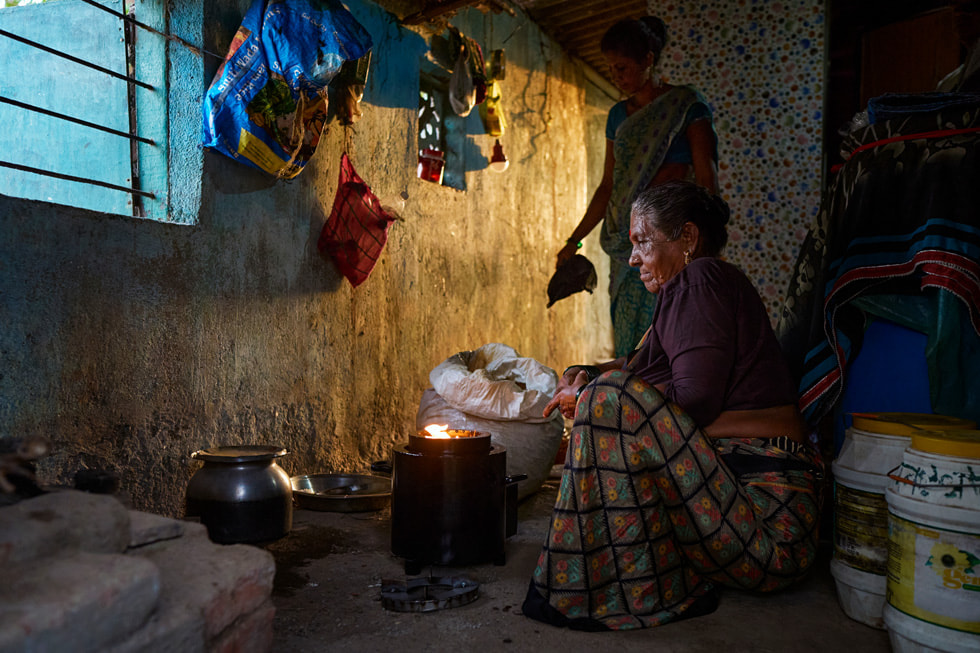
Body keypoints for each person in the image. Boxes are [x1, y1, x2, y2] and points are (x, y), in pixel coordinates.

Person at [524, 180, 823, 631]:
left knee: (609, 400)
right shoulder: (685, 295)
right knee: (608, 390)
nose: (633, 258)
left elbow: (693, 402)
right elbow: (634, 367)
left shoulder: (700, 279)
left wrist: (590, 395)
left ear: (687, 238)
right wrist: (583, 371)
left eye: (643, 241)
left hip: (767, 528)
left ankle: (628, 587)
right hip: (740, 522)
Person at [556, 16, 719, 358]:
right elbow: (608, 187)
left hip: (669, 239)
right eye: (611, 70)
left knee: (670, 334)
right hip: (625, 240)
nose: (617, 78)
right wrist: (574, 239)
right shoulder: (618, 116)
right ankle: (630, 403)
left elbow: (706, 179)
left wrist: (705, 247)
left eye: (622, 68)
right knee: (630, 339)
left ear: (648, 59)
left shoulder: (685, 106)